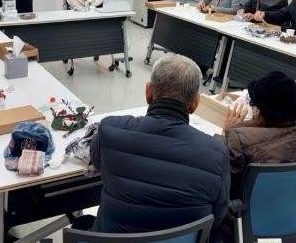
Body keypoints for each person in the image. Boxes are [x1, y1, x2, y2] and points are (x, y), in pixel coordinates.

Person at [88, 54, 230, 235]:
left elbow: (97, 159)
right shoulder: (217, 154)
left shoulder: (111, 129)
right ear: (195, 103)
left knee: (83, 222)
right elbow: (217, 216)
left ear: (148, 92)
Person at [217, 71, 296, 242]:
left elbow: (218, 174)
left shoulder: (238, 140)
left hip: (248, 226)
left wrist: (225, 132)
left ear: (258, 110)